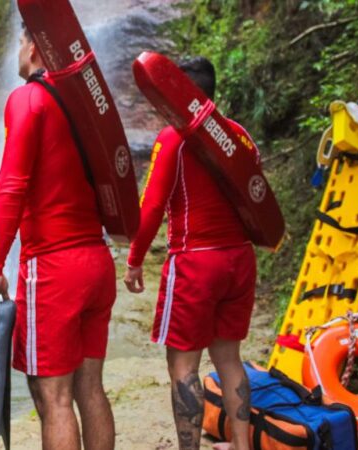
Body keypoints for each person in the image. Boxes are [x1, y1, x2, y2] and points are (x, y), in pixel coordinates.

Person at [0, 24, 116, 450]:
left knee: (53, 398)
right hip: (97, 262)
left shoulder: (27, 99)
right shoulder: (83, 108)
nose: (17, 52)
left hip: (54, 269)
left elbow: (11, 184)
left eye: (21, 43)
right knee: (90, 387)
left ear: (37, 49)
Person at [124, 57, 256, 450]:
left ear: (185, 94)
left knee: (183, 366)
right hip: (239, 261)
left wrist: (134, 259)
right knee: (229, 359)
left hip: (195, 263)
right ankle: (243, 446)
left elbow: (150, 206)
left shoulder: (174, 139)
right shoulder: (240, 135)